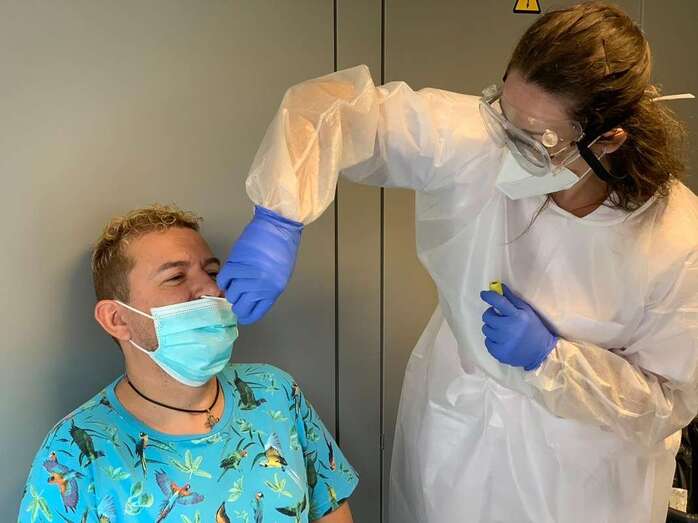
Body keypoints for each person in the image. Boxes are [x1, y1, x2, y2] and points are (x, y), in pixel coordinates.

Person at [216, 2, 698, 522]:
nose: (509, 149)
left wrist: (552, 362)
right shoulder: (479, 138)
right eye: (505, 116)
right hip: (462, 432)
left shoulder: (676, 241)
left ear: (608, 139)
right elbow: (330, 110)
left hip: (584, 477)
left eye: (538, 140)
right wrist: (279, 216)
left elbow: (669, 401)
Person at [18, 204, 357, 523]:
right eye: (176, 277)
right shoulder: (73, 452)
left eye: (212, 272)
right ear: (117, 318)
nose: (211, 289)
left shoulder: (275, 394)